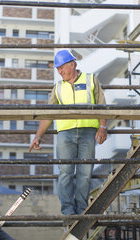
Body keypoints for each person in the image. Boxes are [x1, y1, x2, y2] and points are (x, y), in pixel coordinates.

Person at [29, 50, 107, 215]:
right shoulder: (57, 87)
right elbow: (48, 114)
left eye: (62, 67)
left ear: (72, 64)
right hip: (65, 134)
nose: (59, 71)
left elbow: (101, 103)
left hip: (88, 132)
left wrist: (103, 126)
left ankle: (81, 209)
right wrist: (38, 136)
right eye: (57, 69)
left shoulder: (90, 79)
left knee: (85, 173)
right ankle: (68, 210)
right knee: (65, 173)